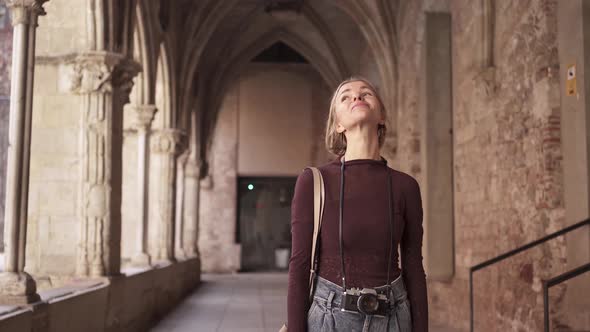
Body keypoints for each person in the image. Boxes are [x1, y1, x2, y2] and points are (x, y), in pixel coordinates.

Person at [287, 77, 428, 331]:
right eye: (345, 96)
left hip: (394, 319)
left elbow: (414, 267)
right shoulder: (314, 181)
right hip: (329, 317)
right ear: (338, 124)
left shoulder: (405, 187)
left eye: (366, 93)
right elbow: (299, 265)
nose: (357, 97)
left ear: (382, 116)